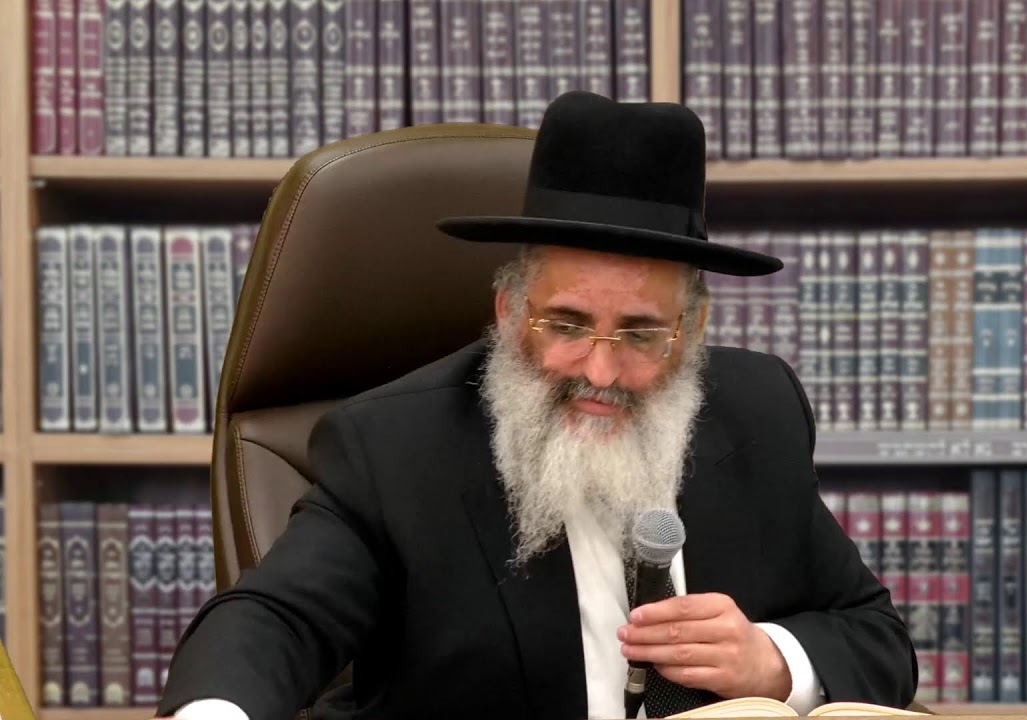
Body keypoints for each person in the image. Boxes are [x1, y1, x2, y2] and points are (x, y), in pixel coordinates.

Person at [156, 90, 917, 720]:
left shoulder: (758, 411)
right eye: (568, 325)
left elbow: (873, 632)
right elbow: (276, 619)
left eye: (640, 334)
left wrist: (774, 661)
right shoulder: (394, 446)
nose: (600, 370)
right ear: (510, 312)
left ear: (691, 332)